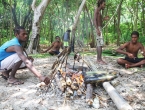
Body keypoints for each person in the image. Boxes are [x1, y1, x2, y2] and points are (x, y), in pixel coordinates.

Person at [94, 0, 109, 64]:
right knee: (99, 44)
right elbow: (94, 20)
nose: (104, 6)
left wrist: (103, 19)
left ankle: (99, 59)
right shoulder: (97, 10)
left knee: (100, 44)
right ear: (100, 4)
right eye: (104, 4)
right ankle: (99, 60)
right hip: (98, 28)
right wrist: (97, 29)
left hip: (99, 28)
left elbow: (98, 20)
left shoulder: (99, 11)